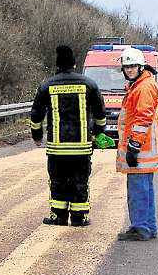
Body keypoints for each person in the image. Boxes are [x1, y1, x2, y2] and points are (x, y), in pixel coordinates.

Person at [29, 45, 107, 227]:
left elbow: (36, 115)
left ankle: (59, 216)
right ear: (74, 64)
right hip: (82, 148)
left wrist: (37, 135)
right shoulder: (89, 84)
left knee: (58, 181)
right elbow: (100, 115)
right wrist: (98, 134)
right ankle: (79, 218)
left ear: (56, 65)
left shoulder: (47, 86)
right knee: (80, 181)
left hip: (57, 149)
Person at [116, 47, 158, 241]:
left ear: (141, 66)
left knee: (138, 192)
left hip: (140, 151)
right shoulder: (142, 84)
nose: (130, 70)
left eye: (133, 66)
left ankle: (140, 228)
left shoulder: (142, 87)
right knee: (145, 190)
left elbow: (142, 119)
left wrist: (133, 146)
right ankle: (148, 227)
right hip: (145, 150)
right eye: (127, 67)